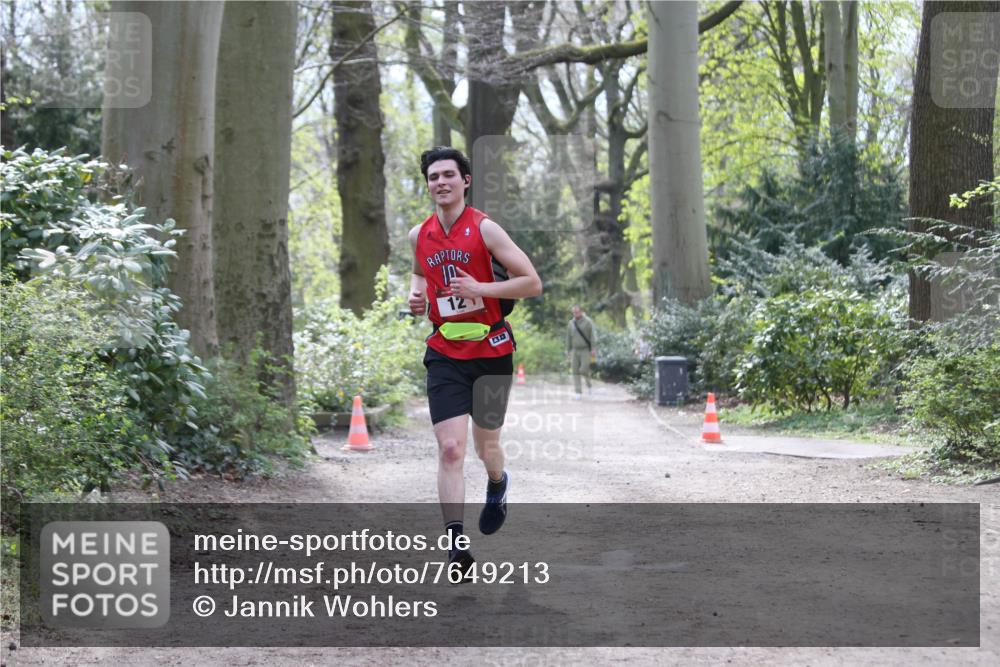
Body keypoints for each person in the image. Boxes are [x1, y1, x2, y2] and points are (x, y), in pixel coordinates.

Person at [408, 146, 543, 579]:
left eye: (449, 175)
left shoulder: (485, 229)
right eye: (433, 177)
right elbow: (419, 271)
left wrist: (481, 289)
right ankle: (455, 545)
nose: (441, 183)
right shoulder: (419, 234)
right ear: (428, 184)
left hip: (491, 352)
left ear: (465, 181)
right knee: (450, 448)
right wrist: (415, 294)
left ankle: (498, 483)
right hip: (444, 353)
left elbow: (531, 283)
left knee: (487, 447)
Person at [566, 304, 596, 400]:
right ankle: (578, 392)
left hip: (585, 350)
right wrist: (568, 350)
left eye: (577, 312)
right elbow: (568, 338)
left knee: (583, 370)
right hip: (575, 350)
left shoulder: (588, 322)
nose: (575, 314)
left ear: (581, 312)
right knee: (575, 371)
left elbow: (592, 336)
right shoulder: (571, 323)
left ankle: (589, 385)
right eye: (573, 312)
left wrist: (593, 348)